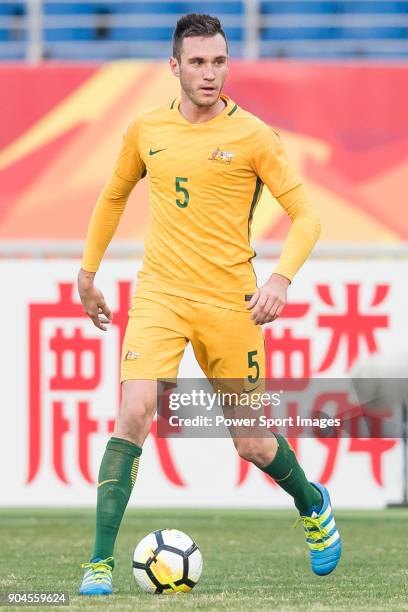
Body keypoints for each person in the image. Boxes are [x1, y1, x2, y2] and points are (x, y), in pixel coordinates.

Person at [77, 13, 341, 596]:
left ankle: (312, 502)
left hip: (231, 303)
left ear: (228, 63)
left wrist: (281, 279)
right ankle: (98, 564)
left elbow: (308, 216)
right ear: (174, 66)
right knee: (134, 411)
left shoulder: (254, 136)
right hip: (161, 295)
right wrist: (88, 272)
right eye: (197, 62)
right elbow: (114, 194)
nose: (209, 73)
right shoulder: (146, 129)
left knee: (251, 442)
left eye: (218, 61)